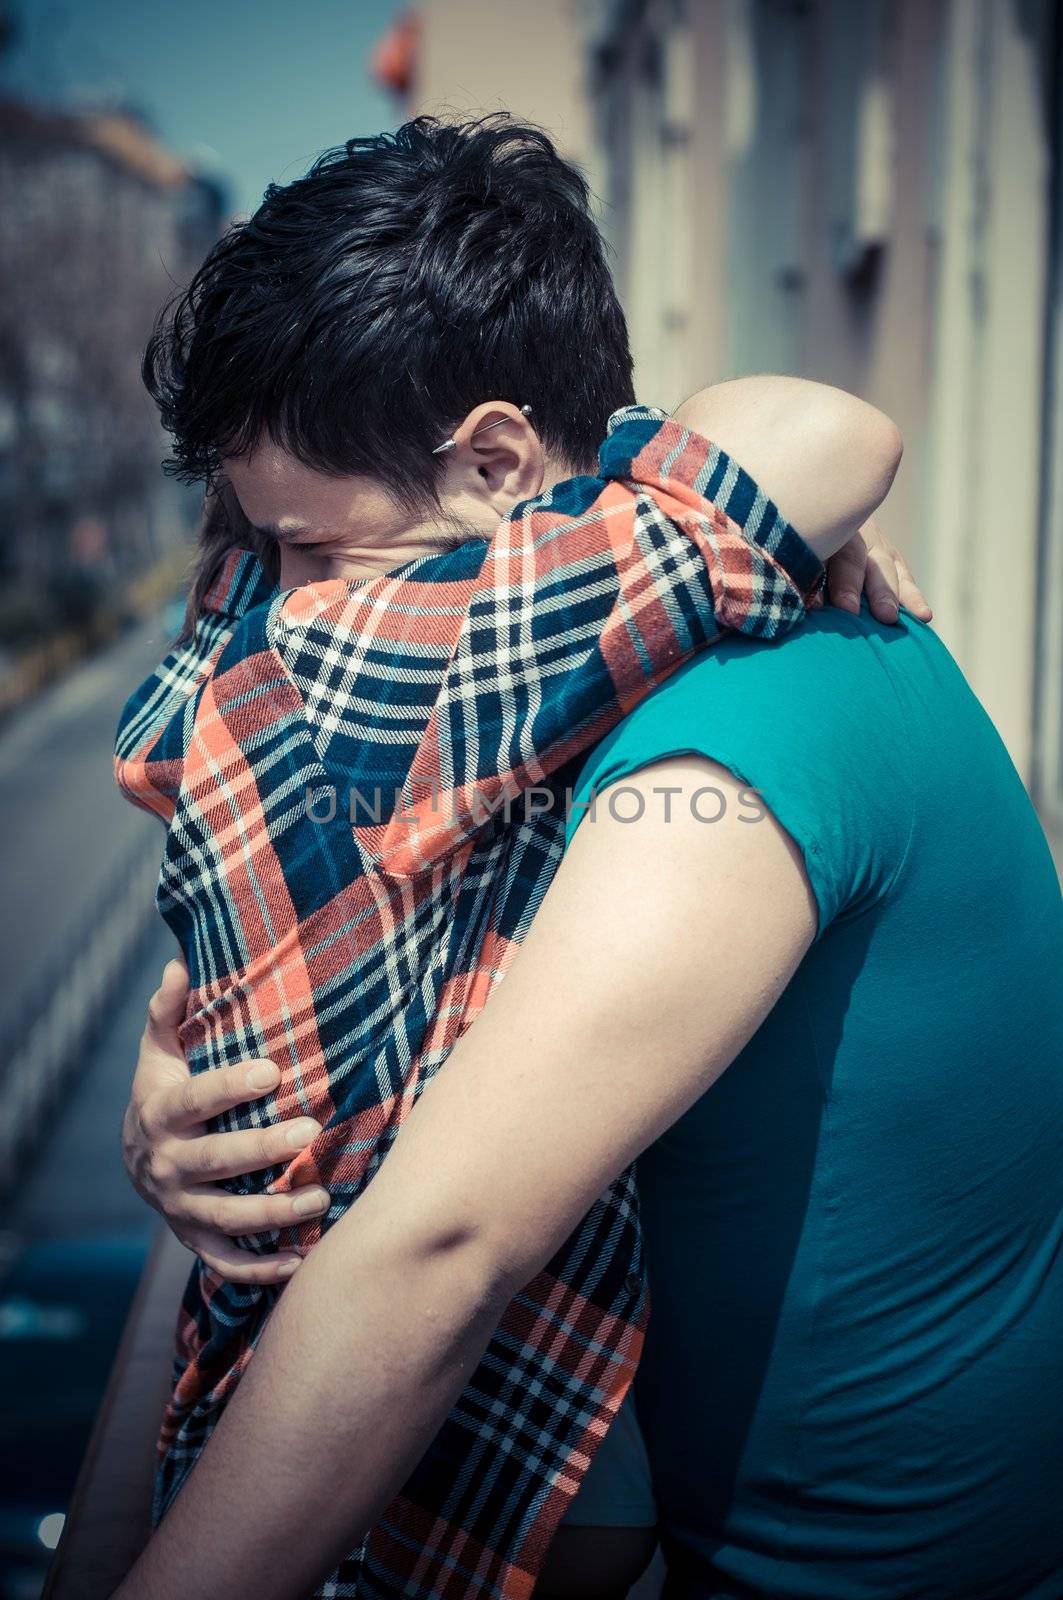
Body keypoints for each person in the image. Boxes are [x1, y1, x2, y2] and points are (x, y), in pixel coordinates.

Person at [110, 116, 920, 1600]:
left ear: (492, 459)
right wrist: (741, 522)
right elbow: (832, 436)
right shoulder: (474, 629)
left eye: (305, 551)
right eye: (261, 551)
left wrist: (741, 528)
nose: (278, 616)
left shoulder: (396, 647)